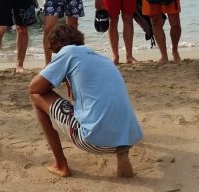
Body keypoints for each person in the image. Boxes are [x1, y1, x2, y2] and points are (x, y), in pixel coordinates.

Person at [29, 24, 143, 178]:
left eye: (54, 51)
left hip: (93, 141)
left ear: (57, 45)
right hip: (128, 138)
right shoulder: (103, 59)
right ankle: (122, 153)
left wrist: (56, 71)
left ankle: (61, 164)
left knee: (36, 96)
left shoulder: (68, 52)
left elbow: (33, 87)